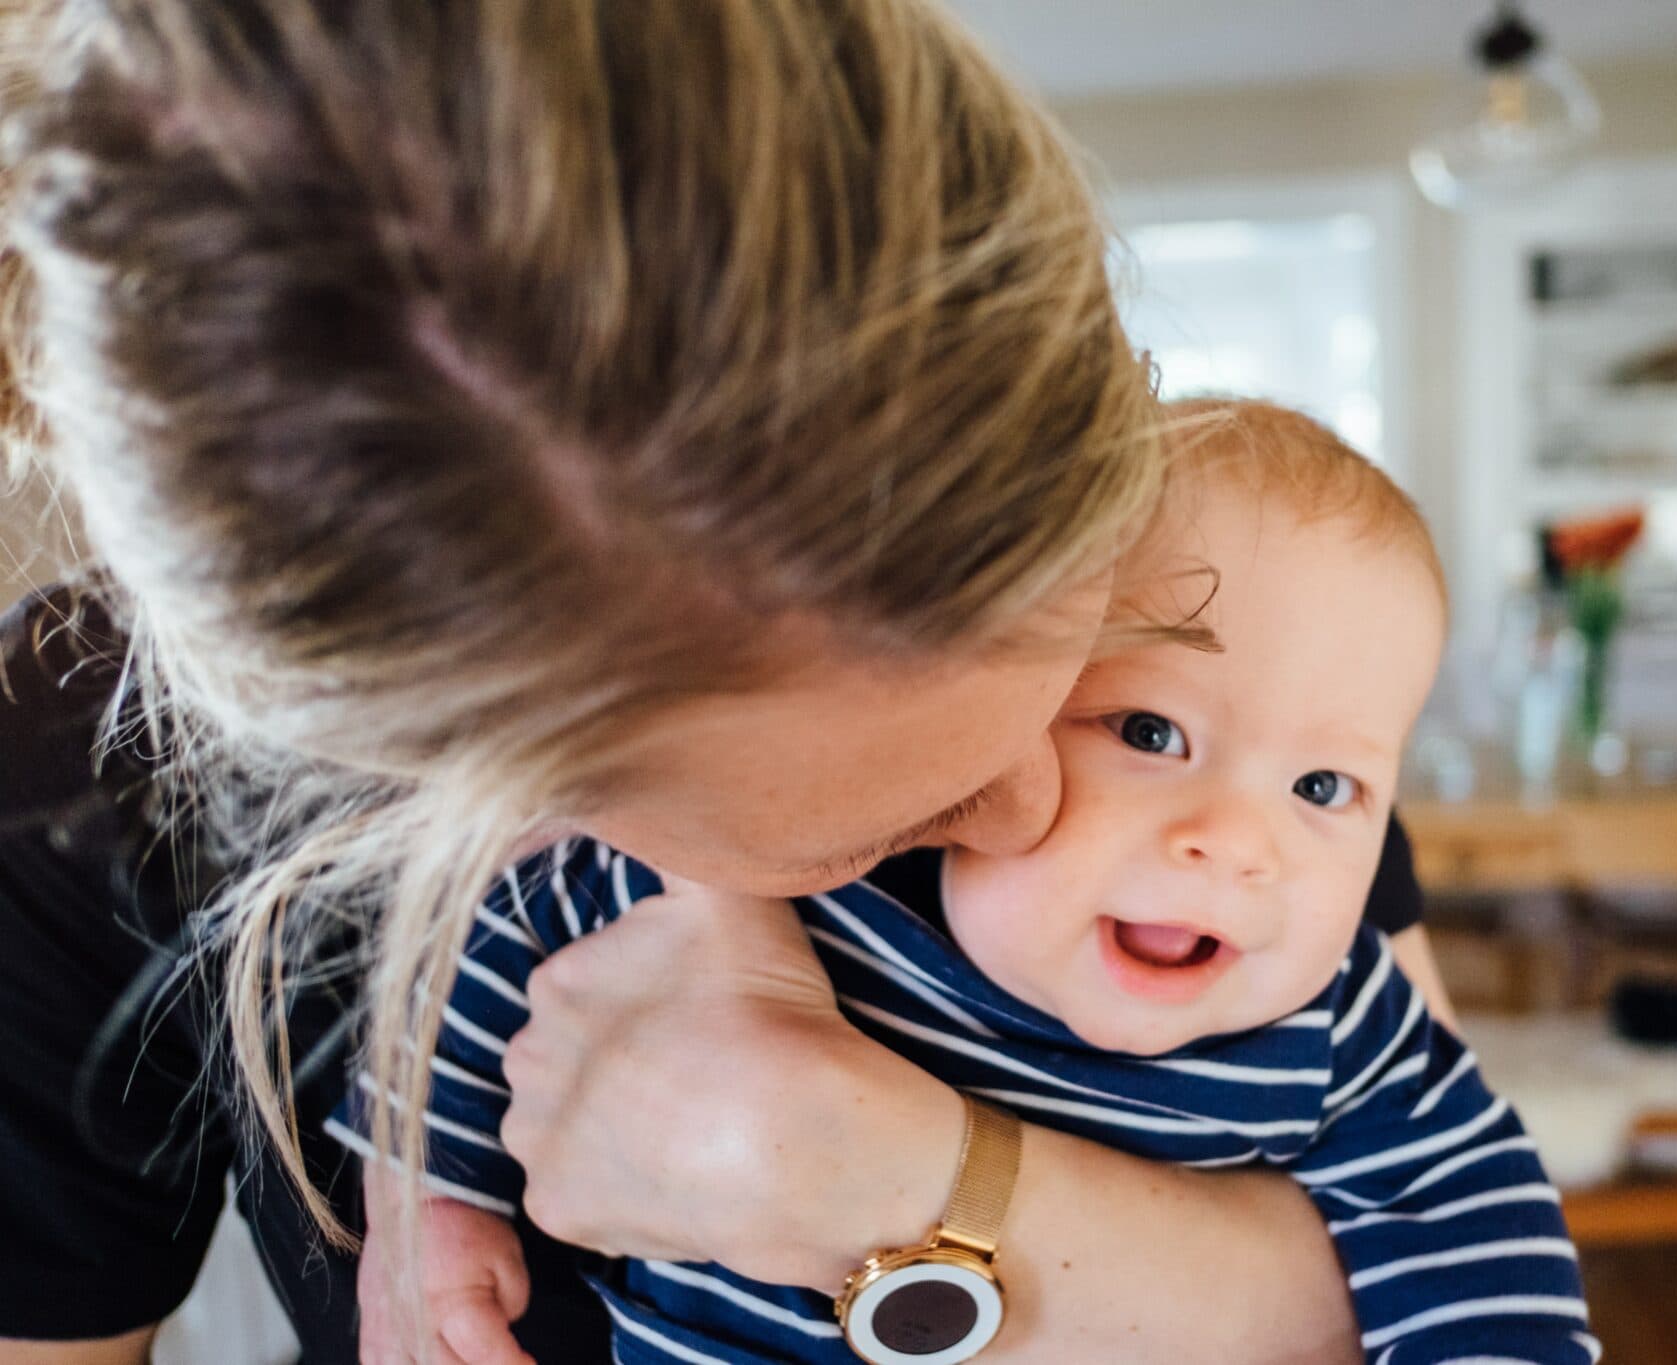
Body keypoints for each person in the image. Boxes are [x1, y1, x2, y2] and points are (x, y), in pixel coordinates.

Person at [0, 2, 1450, 1361]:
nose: (1037, 804)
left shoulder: (1237, 671)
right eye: (887, 818)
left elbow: (1443, 1245)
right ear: (478, 787)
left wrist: (902, 1179)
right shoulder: (67, 799)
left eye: (1089, 682)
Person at [344, 401, 1595, 1365]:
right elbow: (501, 942)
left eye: (1323, 790)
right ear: (999, 699)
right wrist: (432, 1203)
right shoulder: (821, 872)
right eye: (1148, 734)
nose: (1234, 838)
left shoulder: (1337, 1023)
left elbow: (1473, 1223)